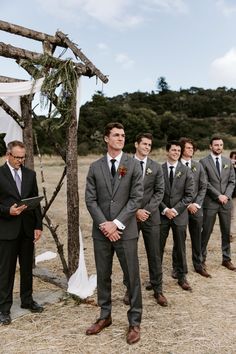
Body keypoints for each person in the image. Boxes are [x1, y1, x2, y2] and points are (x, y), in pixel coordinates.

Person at [85, 122, 143, 345]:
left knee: (132, 276)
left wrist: (116, 224)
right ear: (106, 139)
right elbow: (90, 200)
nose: (121, 138)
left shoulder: (132, 165)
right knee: (103, 275)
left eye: (123, 135)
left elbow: (136, 198)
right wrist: (104, 225)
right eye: (116, 135)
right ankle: (105, 315)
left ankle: (135, 321)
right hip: (102, 233)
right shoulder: (95, 166)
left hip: (125, 232)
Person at [0, 141, 43, 326]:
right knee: (5, 271)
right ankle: (3, 309)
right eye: (17, 157)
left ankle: (27, 300)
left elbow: (35, 202)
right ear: (8, 155)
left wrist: (38, 226)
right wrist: (7, 211)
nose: (20, 160)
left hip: (27, 229)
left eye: (22, 157)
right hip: (6, 230)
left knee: (26, 269)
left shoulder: (30, 174)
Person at [123, 133, 167, 307]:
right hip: (130, 217)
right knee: (129, 255)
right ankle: (130, 289)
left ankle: (158, 289)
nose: (147, 147)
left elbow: (159, 192)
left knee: (155, 254)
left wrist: (146, 210)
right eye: (144, 144)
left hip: (151, 216)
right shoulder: (124, 165)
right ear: (136, 144)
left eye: (150, 145)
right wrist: (134, 211)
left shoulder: (156, 167)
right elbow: (120, 191)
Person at [172, 138, 210, 277]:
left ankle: (199, 265)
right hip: (180, 208)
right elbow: (174, 190)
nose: (191, 150)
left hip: (196, 208)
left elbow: (203, 186)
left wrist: (196, 204)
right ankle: (177, 267)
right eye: (188, 148)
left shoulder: (198, 166)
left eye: (192, 148)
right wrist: (186, 205)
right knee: (179, 239)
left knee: (197, 237)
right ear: (182, 149)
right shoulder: (175, 166)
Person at [159, 141, 194, 291]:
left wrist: (176, 209)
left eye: (179, 150)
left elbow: (189, 194)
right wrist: (165, 209)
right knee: (157, 247)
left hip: (179, 215)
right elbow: (156, 193)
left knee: (180, 246)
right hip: (162, 215)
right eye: (173, 150)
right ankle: (156, 277)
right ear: (167, 151)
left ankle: (182, 276)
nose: (176, 152)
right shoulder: (159, 169)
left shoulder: (186, 170)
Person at [200, 137, 236, 271]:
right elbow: (205, 182)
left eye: (221, 145)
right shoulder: (203, 162)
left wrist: (226, 195)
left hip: (226, 203)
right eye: (216, 145)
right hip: (210, 202)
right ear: (210, 146)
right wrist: (218, 195)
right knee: (206, 232)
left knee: (226, 232)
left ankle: (226, 259)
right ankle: (201, 259)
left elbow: (232, 181)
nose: (219, 147)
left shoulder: (228, 162)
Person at [229, 151, 236, 241]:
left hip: (234, 195)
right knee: (232, 216)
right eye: (234, 158)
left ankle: (232, 233)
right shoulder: (227, 167)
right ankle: (231, 234)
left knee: (233, 216)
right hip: (230, 195)